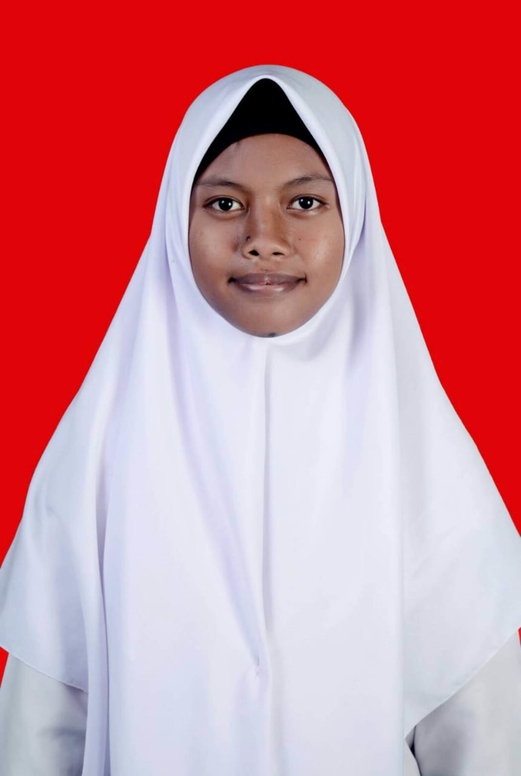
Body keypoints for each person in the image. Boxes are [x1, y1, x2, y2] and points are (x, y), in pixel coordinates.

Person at [0, 67, 520, 775]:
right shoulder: (96, 458)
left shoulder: (427, 467)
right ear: (174, 220)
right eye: (223, 204)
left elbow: (483, 737)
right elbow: (41, 727)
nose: (262, 238)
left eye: (305, 202)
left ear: (355, 219)